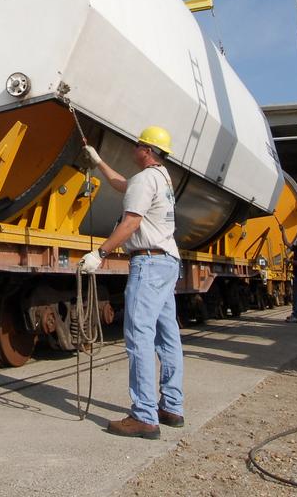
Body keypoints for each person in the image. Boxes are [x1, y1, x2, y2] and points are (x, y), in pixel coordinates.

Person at [78, 125, 184, 440]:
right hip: (168, 262)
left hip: (149, 263)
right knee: (168, 338)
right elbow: (122, 184)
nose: (133, 149)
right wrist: (98, 161)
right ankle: (172, 407)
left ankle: (144, 417)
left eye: (138, 145)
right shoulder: (162, 179)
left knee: (138, 336)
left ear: (147, 150)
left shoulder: (145, 179)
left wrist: (100, 253)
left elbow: (132, 221)